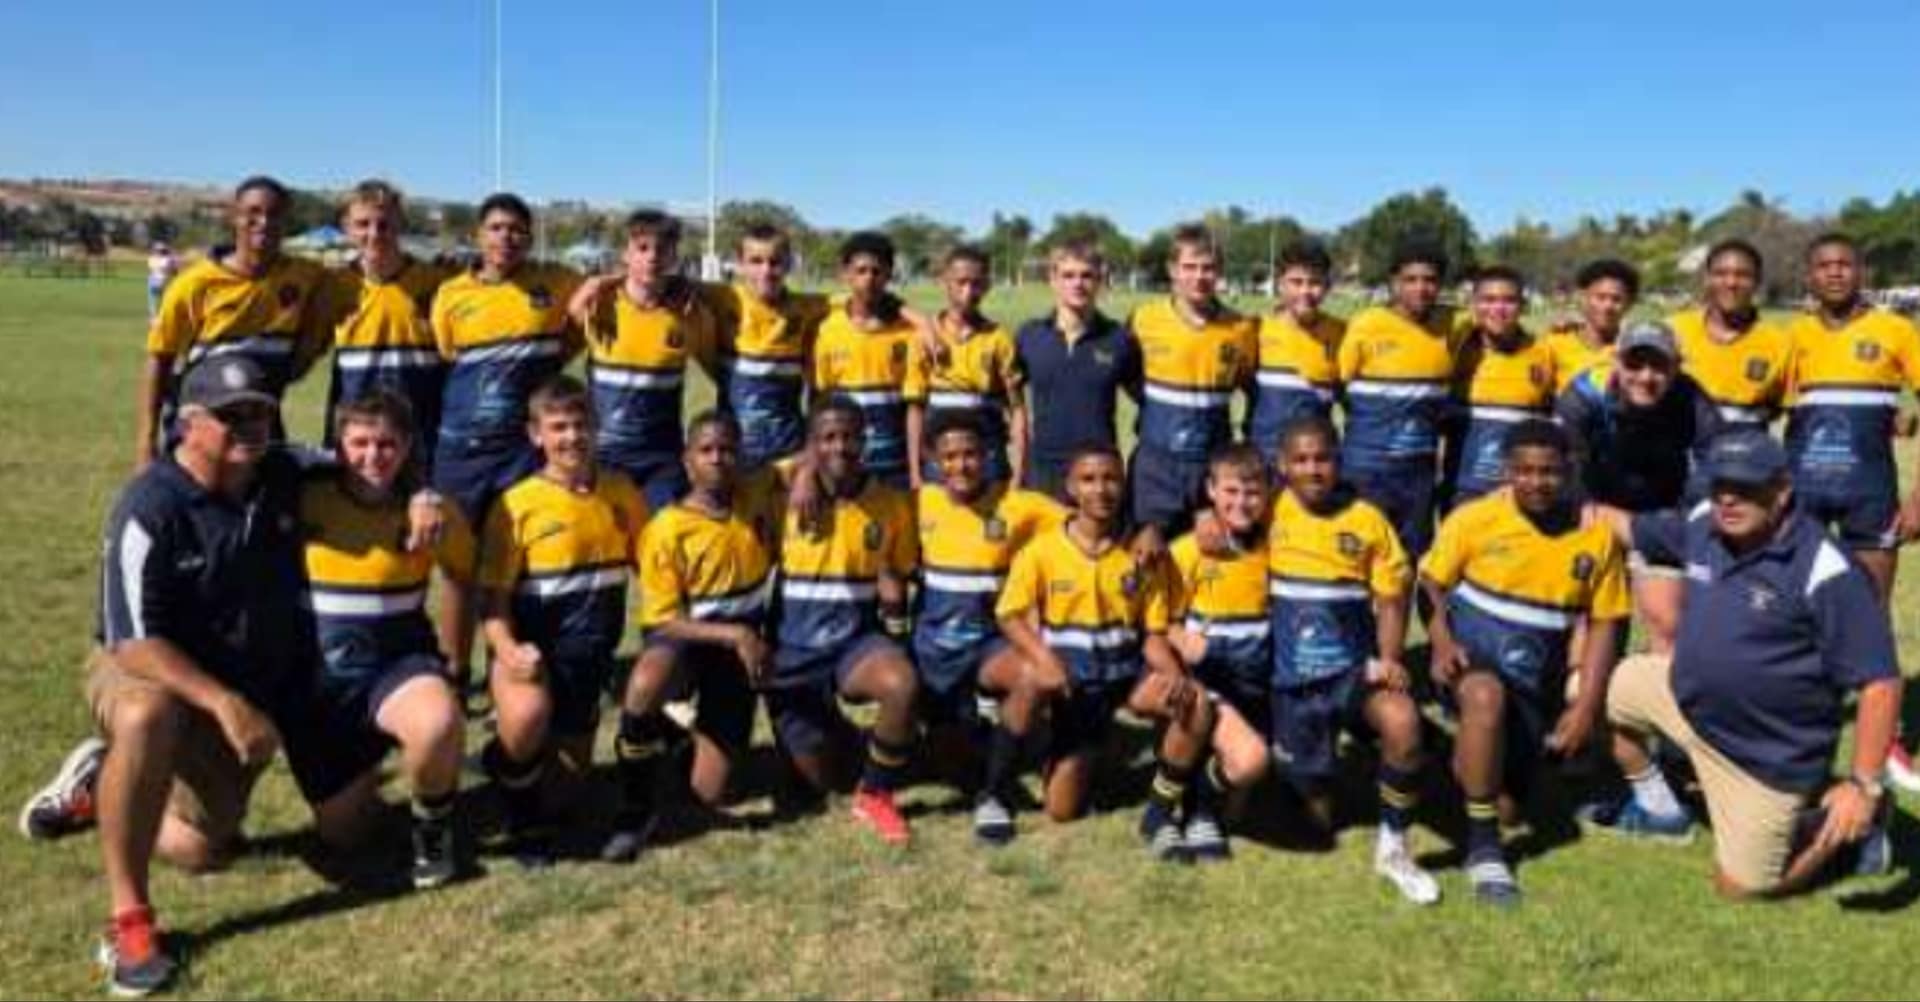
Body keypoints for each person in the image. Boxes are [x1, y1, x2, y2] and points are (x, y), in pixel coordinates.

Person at [1582, 430, 1902, 898]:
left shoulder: (1826, 568)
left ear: (1782, 491)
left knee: (1742, 887)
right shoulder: (1703, 523)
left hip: (1765, 756)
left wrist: (1864, 785)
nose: (1728, 499)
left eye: (1746, 487)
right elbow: (1633, 527)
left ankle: (1852, 831)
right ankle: (1660, 810)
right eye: (1719, 485)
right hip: (1684, 701)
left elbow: (1880, 683)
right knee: (1586, 692)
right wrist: (1568, 506)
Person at [1421, 420, 1629, 906]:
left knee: (1510, 807)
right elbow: (1429, 583)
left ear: (1569, 471)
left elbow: (1606, 624)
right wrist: (1442, 644)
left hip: (1535, 685)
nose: (1537, 482)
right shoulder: (1475, 518)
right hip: (1469, 669)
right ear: (1507, 471)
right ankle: (1484, 849)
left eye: (1549, 471)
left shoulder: (1595, 539)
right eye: (1525, 471)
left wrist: (1585, 708)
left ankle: (1445, 752)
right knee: (1485, 698)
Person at [995, 445, 1217, 862]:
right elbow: (1008, 614)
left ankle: (1160, 812)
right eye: (1089, 480)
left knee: (1195, 703)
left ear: (1124, 484)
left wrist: (1175, 674)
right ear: (1070, 487)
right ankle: (1080, 747)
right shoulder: (1042, 549)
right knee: (1062, 810)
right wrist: (1044, 658)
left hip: (1127, 674)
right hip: (1076, 686)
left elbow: (1152, 634)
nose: (1101, 489)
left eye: (1111, 479)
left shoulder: (1143, 553)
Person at [291, 390, 471, 889]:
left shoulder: (430, 513)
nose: (373, 456)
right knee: (346, 835)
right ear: (339, 445)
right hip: (321, 683)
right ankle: (365, 780)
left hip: (395, 663)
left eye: (388, 444)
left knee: (437, 723)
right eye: (360, 443)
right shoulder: (304, 494)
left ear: (408, 446)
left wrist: (457, 662)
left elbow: (465, 575)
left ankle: (432, 828)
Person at [1263, 416, 1437, 904]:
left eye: (1322, 458)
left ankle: (1393, 846)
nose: (1313, 469)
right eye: (1300, 460)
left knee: (1403, 723)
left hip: (1352, 675)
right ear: (1282, 465)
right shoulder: (1268, 510)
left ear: (1338, 462)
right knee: (1318, 817)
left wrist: (1390, 657)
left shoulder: (1366, 519)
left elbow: (1393, 596)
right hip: (1291, 682)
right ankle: (1304, 779)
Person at [475, 376, 648, 865]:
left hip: (587, 659)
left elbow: (650, 567)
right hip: (531, 659)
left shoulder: (621, 491)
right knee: (528, 720)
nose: (572, 437)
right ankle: (523, 822)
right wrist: (509, 651)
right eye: (558, 428)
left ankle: (504, 762)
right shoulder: (516, 504)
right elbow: (492, 602)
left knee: (567, 796)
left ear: (596, 426)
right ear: (536, 435)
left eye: (580, 424)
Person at [304, 182, 470, 680]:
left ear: (401, 224)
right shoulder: (334, 286)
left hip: (421, 445)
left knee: (443, 551)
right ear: (346, 227)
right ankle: (341, 658)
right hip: (356, 450)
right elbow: (301, 352)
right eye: (362, 224)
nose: (374, 233)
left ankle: (455, 669)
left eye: (384, 223)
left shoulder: (437, 282)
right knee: (361, 553)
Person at [606, 410, 777, 861]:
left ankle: (680, 739)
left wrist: (804, 481)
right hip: (687, 642)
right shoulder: (667, 527)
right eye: (706, 450)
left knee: (710, 792)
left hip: (734, 658)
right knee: (645, 681)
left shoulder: (757, 495)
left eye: (727, 450)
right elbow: (663, 619)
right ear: (687, 461)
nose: (717, 458)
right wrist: (735, 635)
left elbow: (809, 456)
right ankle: (635, 806)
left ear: (741, 456)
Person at [767, 399, 922, 844]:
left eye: (850, 437)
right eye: (828, 438)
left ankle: (875, 795)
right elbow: (741, 475)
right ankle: (840, 733)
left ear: (864, 440)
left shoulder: (888, 503)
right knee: (819, 782)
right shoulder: (778, 491)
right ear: (811, 444)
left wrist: (898, 638)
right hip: (793, 652)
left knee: (901, 684)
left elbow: (897, 575)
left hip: (855, 645)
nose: (840, 447)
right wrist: (803, 473)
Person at [911, 411, 1065, 844]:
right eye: (950, 456)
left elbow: (1083, 523)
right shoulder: (918, 502)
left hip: (990, 648)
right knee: (953, 766)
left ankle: (995, 795)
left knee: (1036, 676)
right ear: (933, 460)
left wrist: (1143, 534)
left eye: (971, 454)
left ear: (989, 455)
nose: (961, 465)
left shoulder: (1018, 505)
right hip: (934, 656)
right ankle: (979, 724)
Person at [137, 175, 329, 469]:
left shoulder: (307, 278)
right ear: (234, 217)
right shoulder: (194, 283)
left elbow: (334, 313)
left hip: (262, 424)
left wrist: (305, 354)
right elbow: (159, 359)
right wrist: (146, 442)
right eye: (253, 212)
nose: (264, 222)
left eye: (274, 214)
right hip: (200, 427)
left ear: (286, 220)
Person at [1555, 321, 1723, 654]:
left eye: (1659, 366)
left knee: (1667, 622)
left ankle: (1659, 682)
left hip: (1659, 515)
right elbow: (1562, 465)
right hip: (1596, 512)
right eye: (1634, 364)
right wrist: (1586, 506)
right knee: (1588, 624)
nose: (1646, 377)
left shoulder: (1693, 399)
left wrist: (1673, 524)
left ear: (1677, 367)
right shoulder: (1585, 395)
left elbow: (1714, 469)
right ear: (1616, 361)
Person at [1163, 445, 1280, 860]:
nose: (1241, 503)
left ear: (1268, 493)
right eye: (1230, 491)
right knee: (1249, 762)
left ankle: (1206, 792)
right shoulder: (1188, 550)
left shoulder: (1277, 546)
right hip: (1209, 682)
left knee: (1243, 805)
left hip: (1260, 680)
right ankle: (1198, 806)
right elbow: (1163, 622)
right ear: (1210, 490)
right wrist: (1183, 640)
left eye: (1253, 492)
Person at [569, 210, 716, 508]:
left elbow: (718, 373)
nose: (652, 257)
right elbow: (570, 318)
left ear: (674, 257)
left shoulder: (690, 314)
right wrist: (599, 282)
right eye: (642, 248)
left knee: (662, 533)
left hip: (661, 459)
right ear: (626, 254)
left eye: (662, 249)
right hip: (604, 456)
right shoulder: (598, 303)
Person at [1125, 224, 1257, 537]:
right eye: (1189, 267)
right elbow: (1127, 375)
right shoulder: (1144, 319)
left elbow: (1248, 385)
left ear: (1219, 271)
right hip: (1156, 463)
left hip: (1213, 463)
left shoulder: (1241, 328)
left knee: (1211, 551)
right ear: (1172, 269)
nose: (1199, 276)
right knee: (1148, 549)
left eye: (1208, 268)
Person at [1337, 238, 1459, 561]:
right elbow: (1339, 387)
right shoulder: (1367, 325)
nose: (1420, 288)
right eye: (1410, 279)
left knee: (1408, 561)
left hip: (1418, 476)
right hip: (1366, 471)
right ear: (1394, 282)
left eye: (1429, 280)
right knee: (1358, 560)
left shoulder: (1454, 324)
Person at [1013, 242, 1143, 500]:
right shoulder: (1030, 335)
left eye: (1087, 275)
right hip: (1043, 470)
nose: (1078, 284)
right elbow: (1009, 398)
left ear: (1099, 281)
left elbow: (1148, 401)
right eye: (1068, 275)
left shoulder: (1119, 338)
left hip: (1099, 473)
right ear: (1053, 279)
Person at [697, 224, 833, 468]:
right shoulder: (723, 298)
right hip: (734, 455)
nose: (766, 271)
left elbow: (857, 300)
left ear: (789, 263)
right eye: (756, 261)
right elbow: (666, 284)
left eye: (775, 262)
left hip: (790, 452)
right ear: (740, 263)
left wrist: (904, 310)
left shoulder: (807, 308)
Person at [810, 232, 929, 489]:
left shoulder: (908, 332)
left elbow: (914, 407)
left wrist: (915, 471)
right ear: (846, 274)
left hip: (894, 466)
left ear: (889, 274)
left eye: (877, 271)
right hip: (844, 466)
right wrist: (813, 466)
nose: (869, 279)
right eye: (861, 270)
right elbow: (820, 404)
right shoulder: (828, 329)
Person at [914, 245, 1027, 486]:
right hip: (938, 461)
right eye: (961, 282)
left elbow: (1017, 408)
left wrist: (1019, 473)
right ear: (944, 282)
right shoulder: (925, 337)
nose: (968, 291)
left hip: (988, 458)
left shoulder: (998, 338)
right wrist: (915, 471)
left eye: (976, 284)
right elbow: (915, 408)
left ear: (987, 286)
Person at [1446, 266, 1560, 506]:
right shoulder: (1455, 345)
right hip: (1462, 491)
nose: (1498, 309)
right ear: (1473, 304)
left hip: (1522, 493)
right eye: (1488, 300)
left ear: (1523, 306)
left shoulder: (1545, 351)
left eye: (1509, 300)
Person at [1668, 239, 1793, 432]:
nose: (1731, 283)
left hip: (1747, 449)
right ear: (1707, 278)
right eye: (1720, 274)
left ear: (1757, 281)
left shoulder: (1780, 343)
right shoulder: (1674, 330)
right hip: (1681, 448)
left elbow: (1781, 408)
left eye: (1743, 275)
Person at [1246, 238, 1345, 458]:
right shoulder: (1257, 329)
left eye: (1315, 282)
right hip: (1265, 458)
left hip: (1314, 461)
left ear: (1328, 286)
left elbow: (1349, 403)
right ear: (1280, 284)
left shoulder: (1342, 334)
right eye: (1296, 282)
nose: (1305, 291)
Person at [1544, 258, 1640, 389]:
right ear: (1583, 297)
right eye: (1600, 297)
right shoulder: (1555, 343)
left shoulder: (1634, 348)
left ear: (1629, 304)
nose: (1607, 306)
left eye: (1616, 299)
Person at [145, 241, 178, 321]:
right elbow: (174, 270)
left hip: (153, 280)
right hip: (164, 280)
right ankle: (162, 315)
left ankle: (153, 316)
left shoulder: (151, 258)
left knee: (152, 299)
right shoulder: (167, 259)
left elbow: (150, 269)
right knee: (163, 299)